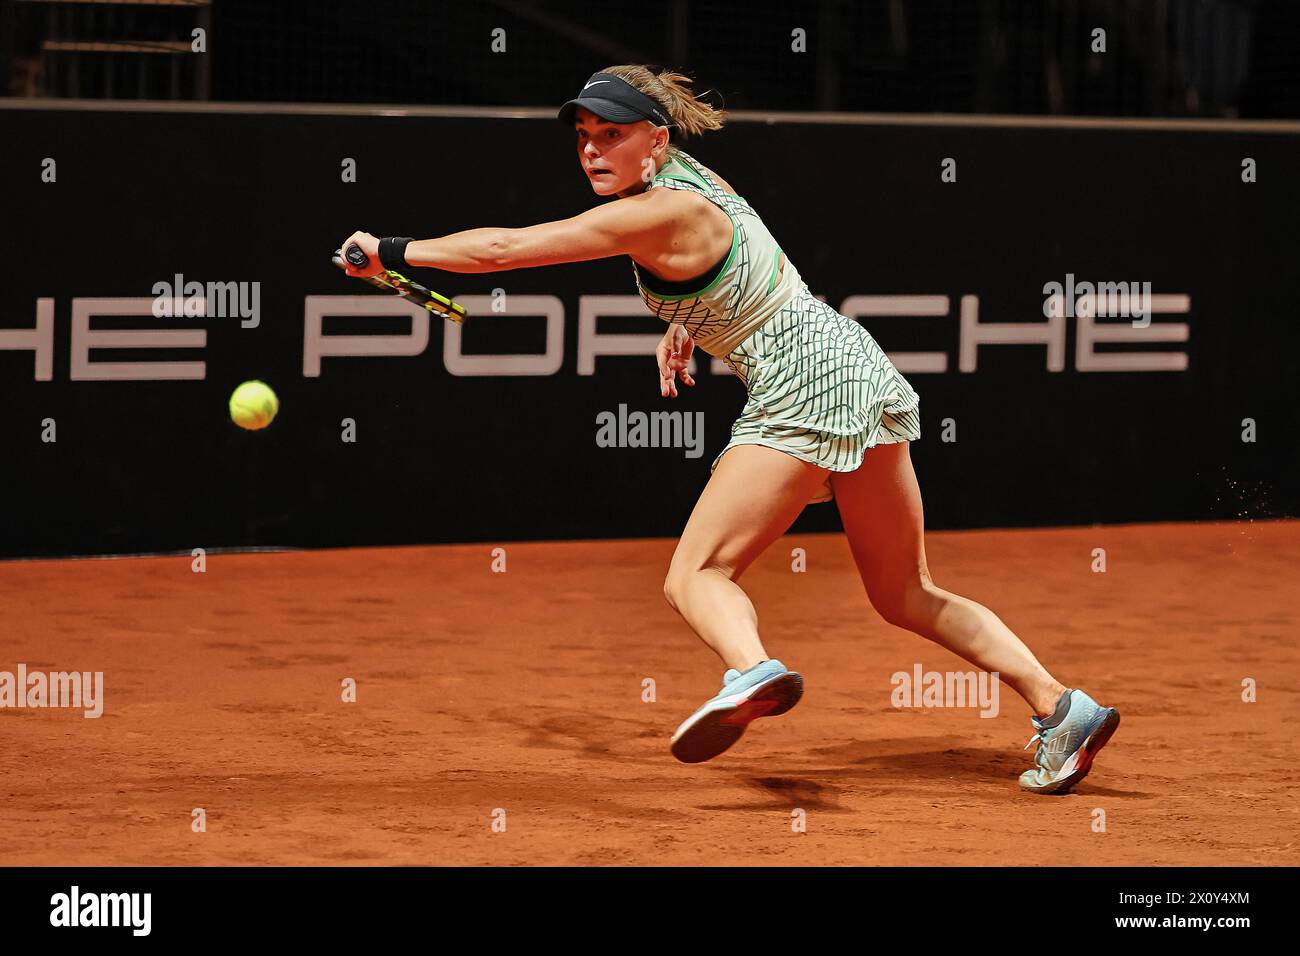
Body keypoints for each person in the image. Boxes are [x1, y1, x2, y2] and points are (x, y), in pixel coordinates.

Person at [338, 65, 1120, 794]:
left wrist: (393, 251)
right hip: (858, 364)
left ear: (657, 139)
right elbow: (738, 267)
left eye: (612, 134)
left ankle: (752, 670)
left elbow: (506, 252)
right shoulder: (698, 185)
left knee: (694, 576)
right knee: (904, 592)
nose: (592, 148)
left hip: (802, 382)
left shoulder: (655, 210)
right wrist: (685, 322)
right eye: (583, 136)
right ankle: (1061, 708)